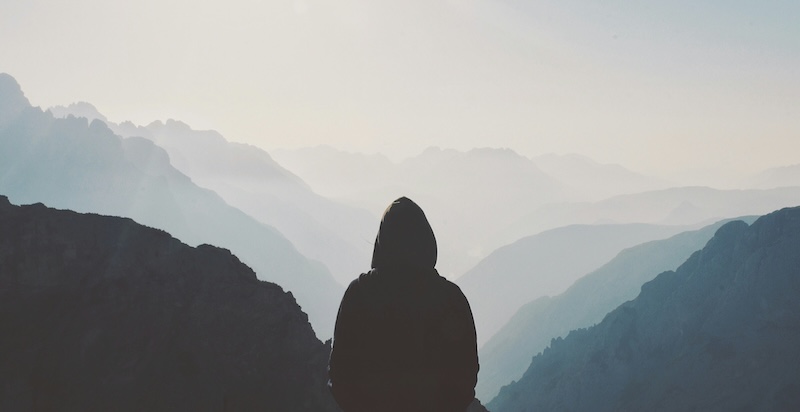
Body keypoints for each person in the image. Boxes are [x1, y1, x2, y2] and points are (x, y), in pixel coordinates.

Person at [328, 197, 479, 412]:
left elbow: (340, 372)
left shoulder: (359, 294)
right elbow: (466, 371)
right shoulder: (450, 298)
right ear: (427, 241)